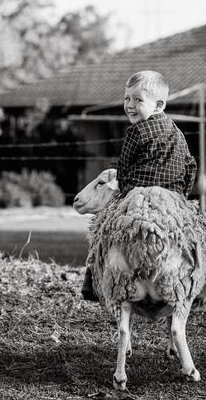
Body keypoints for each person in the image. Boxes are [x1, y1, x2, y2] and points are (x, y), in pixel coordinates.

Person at [81, 70, 197, 301]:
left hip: (137, 197)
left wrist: (121, 188)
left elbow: (124, 166)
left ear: (159, 105)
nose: (130, 105)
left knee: (103, 229)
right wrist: (181, 196)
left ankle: (93, 280)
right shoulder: (177, 131)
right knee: (197, 233)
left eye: (138, 100)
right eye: (127, 98)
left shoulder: (136, 131)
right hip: (171, 197)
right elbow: (190, 165)